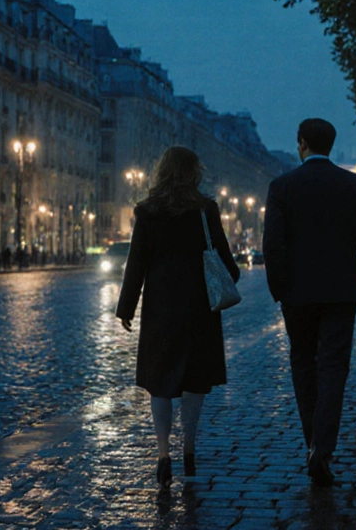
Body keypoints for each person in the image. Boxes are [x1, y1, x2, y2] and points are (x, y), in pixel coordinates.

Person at [263, 118, 356, 486]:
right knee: (334, 369)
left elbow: (273, 245)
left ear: (301, 143)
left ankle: (312, 443)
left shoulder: (281, 186)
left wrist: (279, 289)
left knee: (302, 364)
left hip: (296, 295)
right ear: (330, 146)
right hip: (340, 293)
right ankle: (323, 448)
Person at [116, 146, 241, 488]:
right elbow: (228, 263)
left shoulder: (147, 211)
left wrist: (126, 309)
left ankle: (162, 454)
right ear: (194, 172)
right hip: (200, 307)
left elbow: (136, 265)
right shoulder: (206, 210)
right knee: (194, 381)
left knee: (160, 382)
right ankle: (188, 448)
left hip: (160, 309)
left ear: (161, 171)